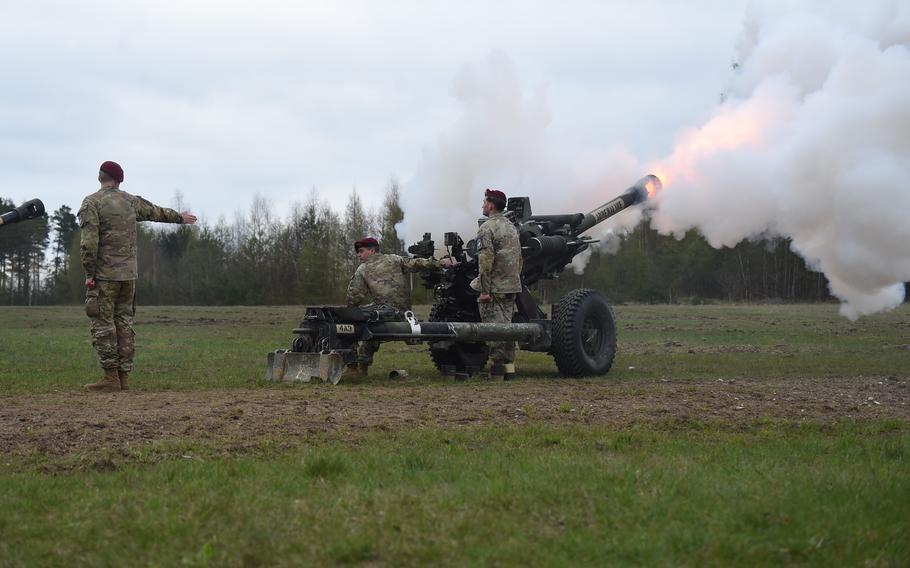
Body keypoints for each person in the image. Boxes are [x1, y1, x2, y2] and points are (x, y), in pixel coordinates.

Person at [79, 161, 197, 391]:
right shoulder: (130, 201)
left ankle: (110, 377)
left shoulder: (92, 202)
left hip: (104, 276)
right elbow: (156, 211)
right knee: (124, 323)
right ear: (120, 180)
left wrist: (89, 273)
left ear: (99, 177)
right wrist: (180, 218)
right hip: (128, 277)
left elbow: (89, 243)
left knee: (104, 325)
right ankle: (124, 379)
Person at [473, 188, 522, 380]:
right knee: (507, 328)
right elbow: (519, 258)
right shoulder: (511, 227)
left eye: (484, 202)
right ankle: (509, 372)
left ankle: (497, 372)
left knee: (494, 329)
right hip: (511, 285)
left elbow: (485, 261)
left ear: (491, 205)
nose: (483, 205)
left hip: (495, 287)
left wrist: (484, 291)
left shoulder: (487, 228)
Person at [345, 236, 445, 311]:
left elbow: (353, 298)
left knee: (360, 311)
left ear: (372, 251)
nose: (358, 255)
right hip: (404, 312)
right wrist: (441, 262)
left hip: (384, 314)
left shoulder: (363, 269)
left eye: (361, 251)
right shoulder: (394, 259)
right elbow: (418, 263)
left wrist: (349, 316)